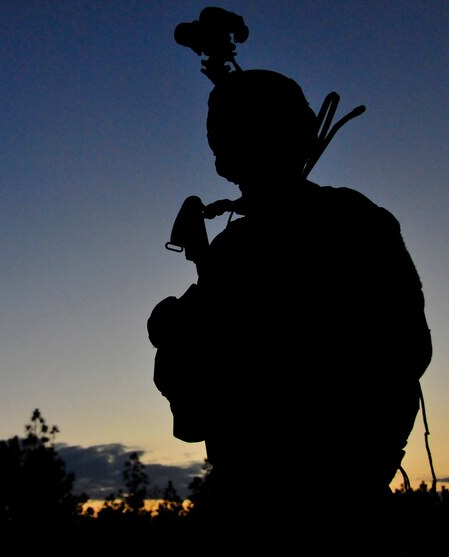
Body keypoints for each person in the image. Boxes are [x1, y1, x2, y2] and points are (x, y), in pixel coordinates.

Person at [148, 8, 432, 533]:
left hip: (303, 497)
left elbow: (402, 352)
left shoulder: (336, 225)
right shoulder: (346, 222)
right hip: (316, 492)